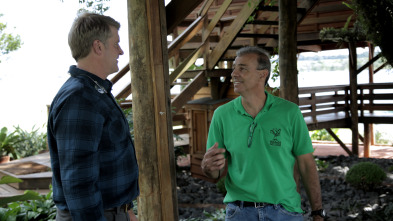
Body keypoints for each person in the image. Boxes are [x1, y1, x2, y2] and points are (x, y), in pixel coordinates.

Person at [201, 46, 325, 221]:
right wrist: (208, 167)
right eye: (234, 68)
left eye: (242, 68)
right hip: (240, 213)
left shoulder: (290, 112)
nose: (234, 73)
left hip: (285, 213)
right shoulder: (222, 115)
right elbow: (215, 172)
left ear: (262, 74)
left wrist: (317, 212)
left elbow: (306, 165)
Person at [47, 13, 139, 221]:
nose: (121, 51)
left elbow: (109, 161)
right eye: (116, 44)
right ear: (98, 47)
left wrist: (127, 210)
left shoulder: (94, 91)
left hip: (114, 212)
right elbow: (79, 184)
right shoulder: (80, 98)